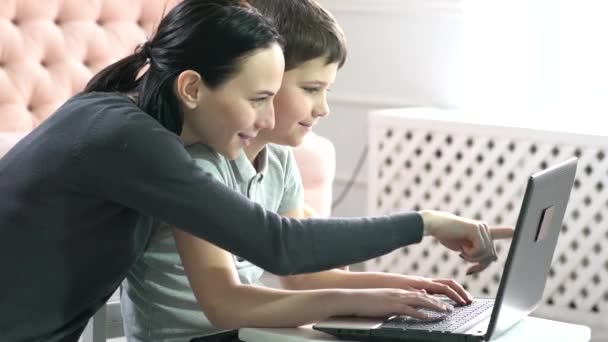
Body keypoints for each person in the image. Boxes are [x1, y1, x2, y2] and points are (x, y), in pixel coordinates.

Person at [0, 1, 508, 341]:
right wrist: (426, 223)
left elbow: (298, 248)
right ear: (193, 89)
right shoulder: (133, 140)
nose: (268, 120)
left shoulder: (128, 128)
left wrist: (393, 293)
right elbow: (279, 245)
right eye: (258, 99)